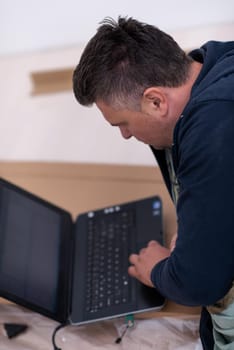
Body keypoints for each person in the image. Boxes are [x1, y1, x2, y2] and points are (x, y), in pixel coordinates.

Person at [72, 16, 234, 349]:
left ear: (156, 101)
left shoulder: (212, 130)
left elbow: (199, 284)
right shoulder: (213, 63)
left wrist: (159, 269)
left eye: (123, 123)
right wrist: (197, 229)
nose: (126, 134)